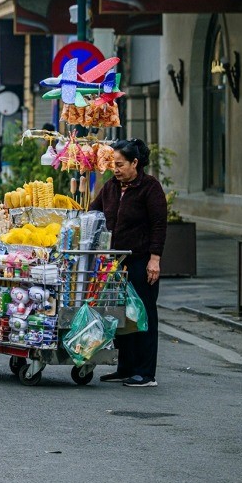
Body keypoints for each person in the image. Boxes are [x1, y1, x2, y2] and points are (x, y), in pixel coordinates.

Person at [90, 138, 166, 388]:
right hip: (115, 262)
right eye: (113, 164)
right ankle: (125, 368)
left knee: (143, 313)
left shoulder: (150, 187)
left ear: (135, 163)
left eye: (120, 164)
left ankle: (145, 373)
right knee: (121, 314)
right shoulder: (111, 186)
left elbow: (158, 224)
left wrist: (155, 258)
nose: (116, 169)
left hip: (140, 259)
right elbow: (94, 212)